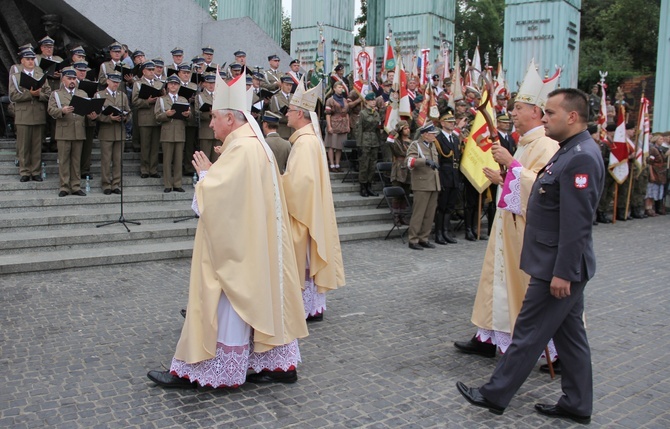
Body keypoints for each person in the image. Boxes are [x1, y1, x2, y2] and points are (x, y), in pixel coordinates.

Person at [147, 70, 308, 389]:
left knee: (226, 303)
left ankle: (216, 372)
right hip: (254, 244)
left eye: (215, 117)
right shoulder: (251, 144)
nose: (210, 124)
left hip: (237, 253)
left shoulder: (243, 149)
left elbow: (221, 203)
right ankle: (276, 364)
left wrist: (207, 176)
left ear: (231, 120)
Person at [457, 88, 604, 425]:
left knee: (528, 331)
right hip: (559, 263)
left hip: (558, 266)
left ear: (572, 116)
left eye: (551, 113)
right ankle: (577, 403)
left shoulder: (580, 155)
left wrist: (563, 272)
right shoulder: (570, 150)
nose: (545, 117)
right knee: (571, 340)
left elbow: (577, 223)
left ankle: (494, 394)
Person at [454, 62, 560, 359]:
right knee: (495, 277)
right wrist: (504, 177)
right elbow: (523, 178)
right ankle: (487, 336)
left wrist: (511, 166)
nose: (512, 113)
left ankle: (545, 348)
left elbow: (543, 189)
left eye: (518, 108)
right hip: (508, 226)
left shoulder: (546, 145)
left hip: (525, 233)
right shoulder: (526, 143)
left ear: (536, 113)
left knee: (518, 285)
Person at [283, 79, 346, 322]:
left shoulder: (305, 142)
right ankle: (311, 306)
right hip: (310, 209)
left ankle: (308, 307)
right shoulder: (308, 139)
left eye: (289, 110)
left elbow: (300, 184)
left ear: (299, 113)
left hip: (304, 213)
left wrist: (275, 181)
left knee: (304, 258)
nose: (286, 114)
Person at [47, 67, 98, 197]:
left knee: (76, 160)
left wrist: (92, 116)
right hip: (64, 131)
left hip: (78, 131)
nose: (72, 81)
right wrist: (62, 111)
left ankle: (75, 186)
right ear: (63, 79)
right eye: (69, 78)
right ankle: (64, 186)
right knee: (64, 160)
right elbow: (50, 110)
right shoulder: (56, 94)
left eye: (74, 78)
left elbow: (86, 111)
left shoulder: (82, 93)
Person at [9, 49, 52, 183]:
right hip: (23, 115)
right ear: (22, 61)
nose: (30, 61)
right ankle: (25, 171)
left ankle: (36, 171)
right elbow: (13, 96)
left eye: (32, 59)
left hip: (38, 114)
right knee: (24, 146)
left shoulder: (40, 75)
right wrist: (30, 94)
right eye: (27, 59)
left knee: (37, 145)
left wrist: (39, 94)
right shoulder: (16, 76)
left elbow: (49, 94)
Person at [406, 123, 441, 250]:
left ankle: (424, 238)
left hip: (433, 183)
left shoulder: (432, 146)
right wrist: (424, 161)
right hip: (421, 184)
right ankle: (413, 239)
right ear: (425, 134)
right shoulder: (416, 145)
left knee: (429, 214)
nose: (434, 136)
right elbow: (409, 162)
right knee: (419, 213)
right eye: (432, 134)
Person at [94, 72, 129, 195]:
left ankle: (116, 184)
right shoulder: (99, 95)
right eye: (113, 82)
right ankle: (106, 184)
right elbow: (96, 115)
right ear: (107, 81)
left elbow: (128, 112)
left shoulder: (122, 95)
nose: (115, 84)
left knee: (118, 160)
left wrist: (124, 118)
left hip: (119, 131)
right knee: (106, 159)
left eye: (117, 82)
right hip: (106, 131)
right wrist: (109, 119)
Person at [155, 75, 191, 193]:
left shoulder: (183, 100)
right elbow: (157, 117)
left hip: (180, 132)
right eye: (171, 84)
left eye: (175, 84)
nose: (173, 86)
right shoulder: (161, 99)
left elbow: (190, 117)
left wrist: (188, 115)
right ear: (168, 86)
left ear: (179, 86)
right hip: (167, 132)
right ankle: (167, 184)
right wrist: (167, 114)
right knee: (167, 160)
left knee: (178, 160)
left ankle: (177, 183)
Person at [434, 113, 462, 245]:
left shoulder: (455, 139)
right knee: (442, 206)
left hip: (454, 174)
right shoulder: (438, 139)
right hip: (444, 174)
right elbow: (438, 159)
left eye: (453, 122)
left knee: (450, 206)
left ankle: (446, 231)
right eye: (449, 122)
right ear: (442, 123)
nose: (452, 124)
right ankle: (439, 233)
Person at [131, 61, 163, 179]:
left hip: (156, 117)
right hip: (144, 117)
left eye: (153, 70)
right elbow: (134, 101)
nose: (152, 72)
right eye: (149, 70)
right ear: (144, 71)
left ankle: (153, 169)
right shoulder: (138, 84)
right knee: (145, 145)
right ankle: (144, 169)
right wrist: (147, 102)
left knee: (155, 146)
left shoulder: (159, 83)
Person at [354, 92, 380, 196]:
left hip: (374, 141)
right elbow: (359, 129)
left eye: (374, 100)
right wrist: (359, 144)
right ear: (366, 102)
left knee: (372, 165)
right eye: (371, 100)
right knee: (364, 165)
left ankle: (369, 186)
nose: (373, 102)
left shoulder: (376, 113)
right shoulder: (363, 114)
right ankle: (363, 187)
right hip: (364, 140)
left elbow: (377, 129)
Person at [387, 120, 412, 224]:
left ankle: (403, 216)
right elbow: (389, 140)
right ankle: (396, 216)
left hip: (408, 168)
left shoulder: (412, 142)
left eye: (408, 128)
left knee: (405, 194)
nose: (408, 130)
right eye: (405, 128)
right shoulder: (396, 141)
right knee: (397, 194)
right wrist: (395, 130)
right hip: (398, 168)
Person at [324, 81, 350, 172]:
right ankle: (331, 164)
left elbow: (347, 113)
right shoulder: (330, 100)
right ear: (334, 89)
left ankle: (337, 164)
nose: (341, 89)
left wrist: (348, 125)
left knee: (339, 146)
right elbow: (328, 114)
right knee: (331, 145)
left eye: (341, 87)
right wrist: (329, 126)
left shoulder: (344, 100)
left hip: (343, 125)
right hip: (334, 123)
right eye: (339, 87)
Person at [195, 72, 218, 163]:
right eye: (209, 83)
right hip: (206, 130)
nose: (211, 85)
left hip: (218, 131)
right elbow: (197, 113)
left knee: (217, 159)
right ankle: (204, 177)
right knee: (205, 158)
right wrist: (209, 114)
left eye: (213, 83)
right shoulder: (199, 96)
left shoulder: (219, 96)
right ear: (204, 84)